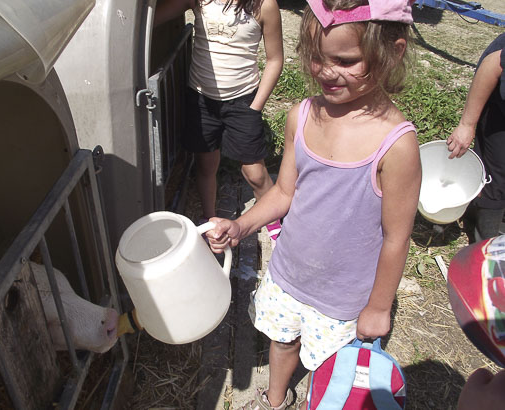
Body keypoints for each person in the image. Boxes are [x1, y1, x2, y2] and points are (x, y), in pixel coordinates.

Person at [206, 0, 421, 408]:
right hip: (289, 274)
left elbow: (397, 236)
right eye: (317, 58)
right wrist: (242, 226)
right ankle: (275, 397)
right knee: (282, 343)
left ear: (392, 52)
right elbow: (284, 193)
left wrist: (378, 307)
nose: (325, 71)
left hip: (343, 298)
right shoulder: (301, 116)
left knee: (329, 368)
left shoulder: (397, 146)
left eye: (345, 60)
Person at [155, 0, 284, 246]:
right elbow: (152, 19)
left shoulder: (264, 5)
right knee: (206, 164)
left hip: (244, 101)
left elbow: (275, 59)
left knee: (255, 173)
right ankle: (210, 220)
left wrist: (255, 107)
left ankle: (274, 224)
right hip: (202, 98)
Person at [447, 33, 505, 242]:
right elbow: (493, 66)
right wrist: (466, 125)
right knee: (498, 172)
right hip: (497, 94)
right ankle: (485, 241)